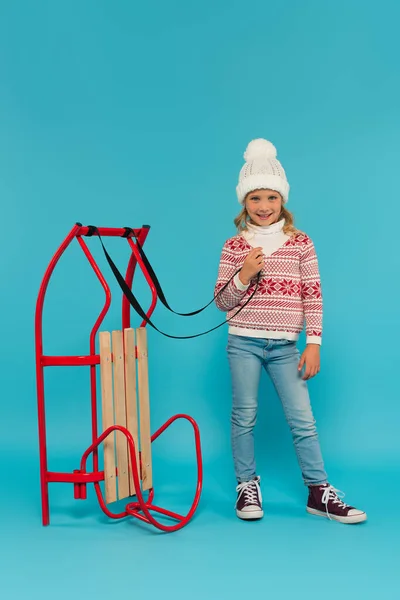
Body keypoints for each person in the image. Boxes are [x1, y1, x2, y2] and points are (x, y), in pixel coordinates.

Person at [214, 138, 366, 524]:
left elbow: (313, 295)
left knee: (303, 419)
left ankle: (319, 493)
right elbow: (221, 302)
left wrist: (313, 344)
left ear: (282, 201)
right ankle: (246, 487)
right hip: (243, 342)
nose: (263, 207)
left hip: (285, 346)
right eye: (255, 199)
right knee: (244, 415)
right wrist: (245, 274)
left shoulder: (300, 244)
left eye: (271, 198)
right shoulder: (234, 246)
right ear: (243, 203)